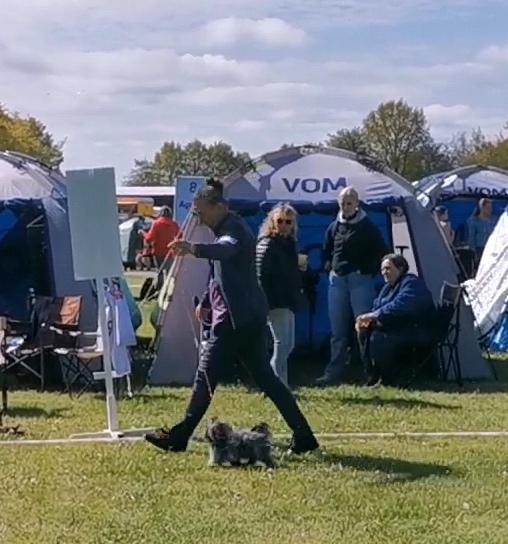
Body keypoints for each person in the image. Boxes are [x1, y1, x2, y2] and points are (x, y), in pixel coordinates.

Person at [144, 180, 319, 455]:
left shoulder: (233, 229)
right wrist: (206, 301)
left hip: (236, 318)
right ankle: (304, 436)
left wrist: (194, 248)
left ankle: (178, 438)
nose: (198, 217)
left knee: (205, 377)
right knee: (267, 379)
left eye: (201, 211)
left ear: (219, 207)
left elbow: (226, 251)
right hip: (246, 315)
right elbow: (221, 274)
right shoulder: (222, 228)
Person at [316, 187, 389, 386]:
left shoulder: (368, 226)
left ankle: (369, 372)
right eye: (343, 203)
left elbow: (382, 252)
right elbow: (326, 250)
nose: (346, 207)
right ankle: (333, 372)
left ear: (357, 204)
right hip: (337, 281)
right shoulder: (334, 226)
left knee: (363, 328)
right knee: (337, 331)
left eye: (349, 203)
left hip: (360, 281)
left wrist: (365, 270)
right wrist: (329, 265)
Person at [356, 253, 437, 386]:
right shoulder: (387, 288)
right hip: (395, 326)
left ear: (400, 268)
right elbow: (378, 305)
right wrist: (369, 318)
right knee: (364, 330)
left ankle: (386, 378)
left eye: (388, 268)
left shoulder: (411, 283)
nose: (384, 272)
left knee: (378, 337)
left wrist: (376, 315)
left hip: (415, 329)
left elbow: (401, 305)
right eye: (382, 269)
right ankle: (372, 376)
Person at [255, 203, 306, 388]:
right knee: (282, 344)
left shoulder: (288, 243)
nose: (284, 225)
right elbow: (260, 276)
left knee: (287, 345)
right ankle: (277, 386)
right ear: (272, 222)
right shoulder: (267, 243)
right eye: (280, 221)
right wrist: (265, 303)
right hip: (274, 301)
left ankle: (276, 384)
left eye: (288, 221)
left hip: (287, 299)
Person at [142, 206, 179, 270]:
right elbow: (180, 236)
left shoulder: (156, 223)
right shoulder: (174, 225)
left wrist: (143, 233)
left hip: (158, 252)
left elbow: (149, 238)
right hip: (170, 252)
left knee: (159, 271)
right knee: (169, 271)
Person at [467, 198, 497, 266]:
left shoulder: (493, 221)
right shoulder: (474, 221)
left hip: (492, 249)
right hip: (480, 249)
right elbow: (471, 237)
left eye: (491, 208)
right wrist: (473, 252)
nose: (490, 210)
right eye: (488, 208)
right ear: (482, 208)